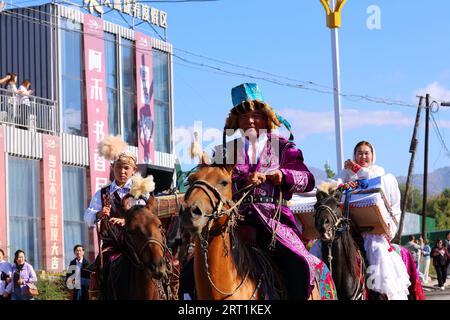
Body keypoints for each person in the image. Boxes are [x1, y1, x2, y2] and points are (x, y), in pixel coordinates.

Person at [210, 83, 335, 299]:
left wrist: (282, 176)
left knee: (300, 264)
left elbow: (308, 180)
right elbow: (215, 184)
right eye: (244, 116)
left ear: (266, 118)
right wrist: (240, 181)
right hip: (234, 221)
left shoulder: (283, 146)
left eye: (256, 115)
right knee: (192, 267)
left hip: (274, 220)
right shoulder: (226, 152)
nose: (250, 120)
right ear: (236, 121)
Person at [341, 140, 411, 299]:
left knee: (376, 250)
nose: (362, 156)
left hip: (372, 231)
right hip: (347, 229)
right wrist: (342, 186)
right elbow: (332, 187)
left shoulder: (383, 175)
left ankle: (382, 294)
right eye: (359, 153)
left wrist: (357, 170)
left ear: (373, 155)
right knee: (321, 247)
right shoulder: (345, 175)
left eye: (366, 153)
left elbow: (372, 182)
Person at [84, 135, 148, 299]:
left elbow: (146, 216)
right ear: (113, 168)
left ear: (134, 170)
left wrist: (127, 221)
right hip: (112, 246)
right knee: (98, 273)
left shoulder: (139, 191)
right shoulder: (103, 193)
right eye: (119, 167)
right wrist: (99, 214)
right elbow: (87, 217)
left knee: (162, 264)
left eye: (126, 168)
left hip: (137, 245)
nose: (122, 171)